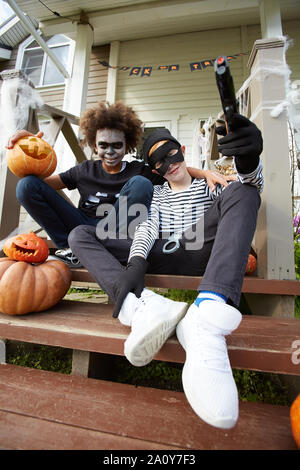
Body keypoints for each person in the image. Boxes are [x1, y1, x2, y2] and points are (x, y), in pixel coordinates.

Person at [68, 113, 263, 430]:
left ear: (181, 149)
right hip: (159, 251)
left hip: (197, 248)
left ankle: (208, 310)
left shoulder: (206, 184)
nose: (169, 164)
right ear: (153, 168)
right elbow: (146, 227)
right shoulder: (156, 194)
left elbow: (248, 185)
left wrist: (250, 161)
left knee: (243, 191)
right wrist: (136, 263)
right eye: (158, 161)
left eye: (171, 153)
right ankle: (140, 306)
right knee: (81, 234)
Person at [6, 101, 231, 267]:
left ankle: (94, 248)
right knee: (25, 186)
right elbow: (40, 186)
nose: (110, 152)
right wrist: (28, 149)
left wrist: (205, 173)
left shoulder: (138, 170)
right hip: (81, 227)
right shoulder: (84, 170)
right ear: (94, 146)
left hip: (116, 233)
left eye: (117, 145)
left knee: (141, 183)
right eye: (104, 145)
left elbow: (173, 171)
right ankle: (70, 248)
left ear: (127, 146)